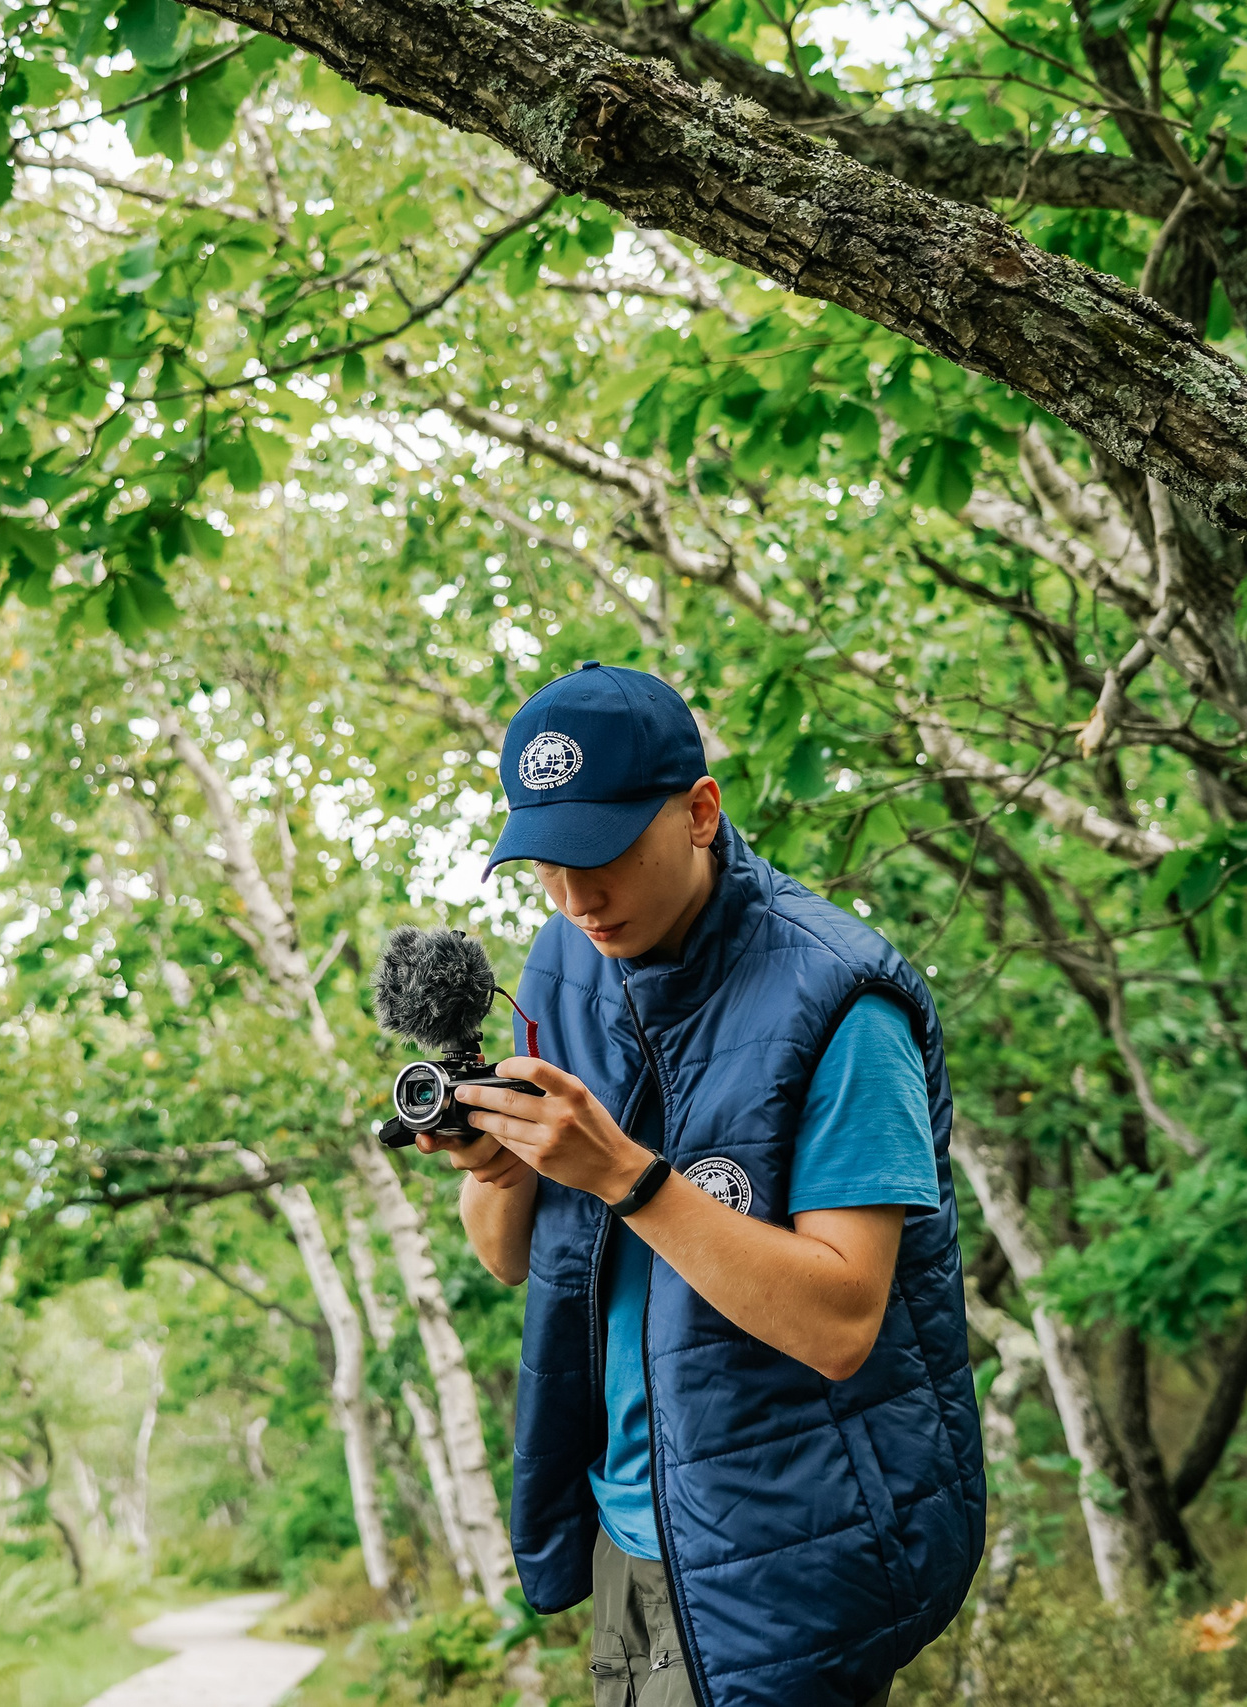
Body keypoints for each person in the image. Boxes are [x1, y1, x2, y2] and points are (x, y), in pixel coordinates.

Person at [415, 662, 985, 1707]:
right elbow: (505, 1257)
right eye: (546, 864)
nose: (578, 898)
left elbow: (841, 1320)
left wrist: (627, 1178)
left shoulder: (843, 1004)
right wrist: (497, 1163)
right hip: (630, 1528)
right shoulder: (560, 965)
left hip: (796, 1537)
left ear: (699, 813)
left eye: (608, 856)